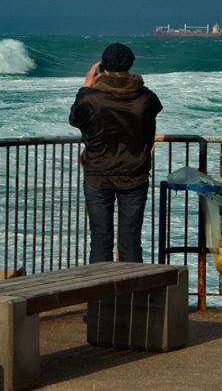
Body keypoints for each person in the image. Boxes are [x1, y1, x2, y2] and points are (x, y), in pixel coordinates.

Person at [69, 43, 162, 263]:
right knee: (131, 241)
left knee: (100, 240)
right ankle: (133, 286)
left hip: (98, 174)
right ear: (130, 65)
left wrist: (86, 87)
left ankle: (101, 286)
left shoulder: (91, 98)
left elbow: (75, 119)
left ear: (103, 67)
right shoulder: (146, 98)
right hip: (135, 174)